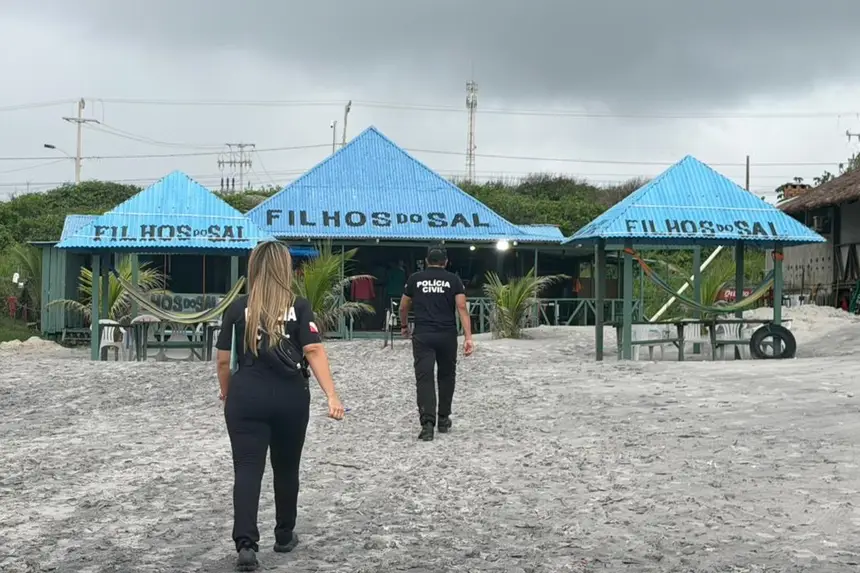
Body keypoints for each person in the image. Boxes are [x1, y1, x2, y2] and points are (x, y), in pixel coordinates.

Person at [215, 240, 345, 571]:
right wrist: (331, 395)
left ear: (253, 267)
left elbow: (223, 360)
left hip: (246, 396)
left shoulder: (238, 308)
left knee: (247, 469)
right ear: (284, 268)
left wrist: (227, 393)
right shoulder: (299, 307)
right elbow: (313, 350)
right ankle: (284, 534)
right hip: (290, 397)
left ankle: (246, 543)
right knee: (286, 468)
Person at [399, 245, 474, 441]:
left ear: (426, 261)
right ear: (445, 262)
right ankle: (443, 418)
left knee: (424, 378)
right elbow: (461, 307)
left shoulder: (415, 279)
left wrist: (404, 326)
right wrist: (468, 337)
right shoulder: (454, 280)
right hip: (447, 334)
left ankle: (427, 424)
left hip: (423, 334)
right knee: (447, 376)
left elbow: (404, 306)